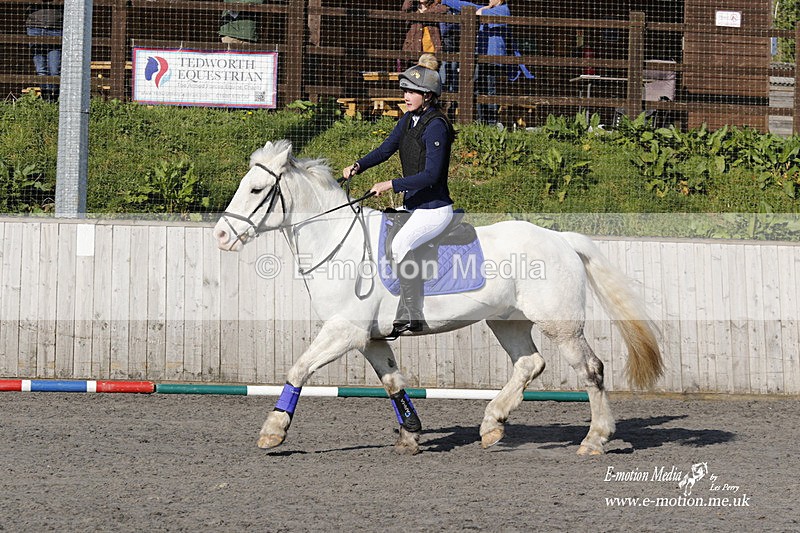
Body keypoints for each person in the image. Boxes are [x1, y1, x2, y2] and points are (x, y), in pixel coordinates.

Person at [343, 54, 455, 338]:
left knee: (402, 243)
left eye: (412, 92)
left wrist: (391, 184)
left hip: (434, 210)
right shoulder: (408, 120)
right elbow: (385, 149)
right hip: (413, 207)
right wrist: (358, 165)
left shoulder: (437, 125)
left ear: (428, 96)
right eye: (405, 90)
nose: (406, 96)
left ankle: (412, 313)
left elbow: (431, 175)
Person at [441, 0, 510, 124]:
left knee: (490, 90)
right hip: (481, 57)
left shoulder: (503, 10)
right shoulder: (488, 9)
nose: (489, 0)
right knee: (479, 88)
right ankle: (481, 120)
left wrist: (485, 8)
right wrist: (446, 1)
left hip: (493, 58)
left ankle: (491, 122)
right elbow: (469, 7)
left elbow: (478, 12)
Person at [25, 1, 63, 102]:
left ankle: (54, 98)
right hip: (35, 26)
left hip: (55, 26)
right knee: (41, 69)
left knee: (54, 69)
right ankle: (46, 99)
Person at [401, 0, 449, 65]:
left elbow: (444, 9)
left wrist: (424, 13)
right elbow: (405, 7)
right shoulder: (412, 9)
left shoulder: (435, 7)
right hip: (413, 49)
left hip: (431, 50)